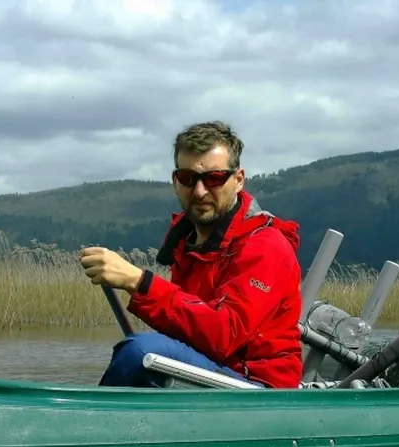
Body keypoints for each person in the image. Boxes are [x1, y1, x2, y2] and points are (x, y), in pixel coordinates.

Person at [78, 121, 304, 389]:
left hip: (257, 387)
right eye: (188, 179)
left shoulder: (266, 245)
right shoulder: (187, 243)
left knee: (140, 353)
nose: (199, 191)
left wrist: (139, 283)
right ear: (175, 181)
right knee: (146, 355)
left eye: (214, 178)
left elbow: (225, 334)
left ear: (239, 180)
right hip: (208, 371)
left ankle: (94, 424)